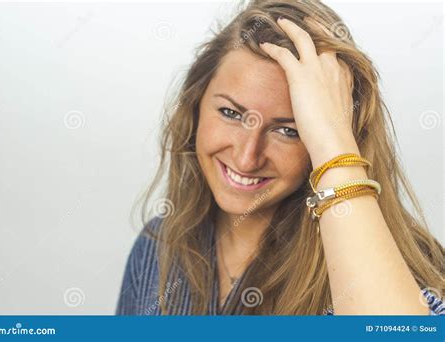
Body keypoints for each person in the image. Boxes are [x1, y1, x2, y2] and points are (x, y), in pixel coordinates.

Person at [116, 0, 444, 315]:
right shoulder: (157, 247)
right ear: (195, 105)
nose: (247, 158)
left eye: (289, 131)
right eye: (230, 113)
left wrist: (334, 143)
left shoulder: (405, 276)